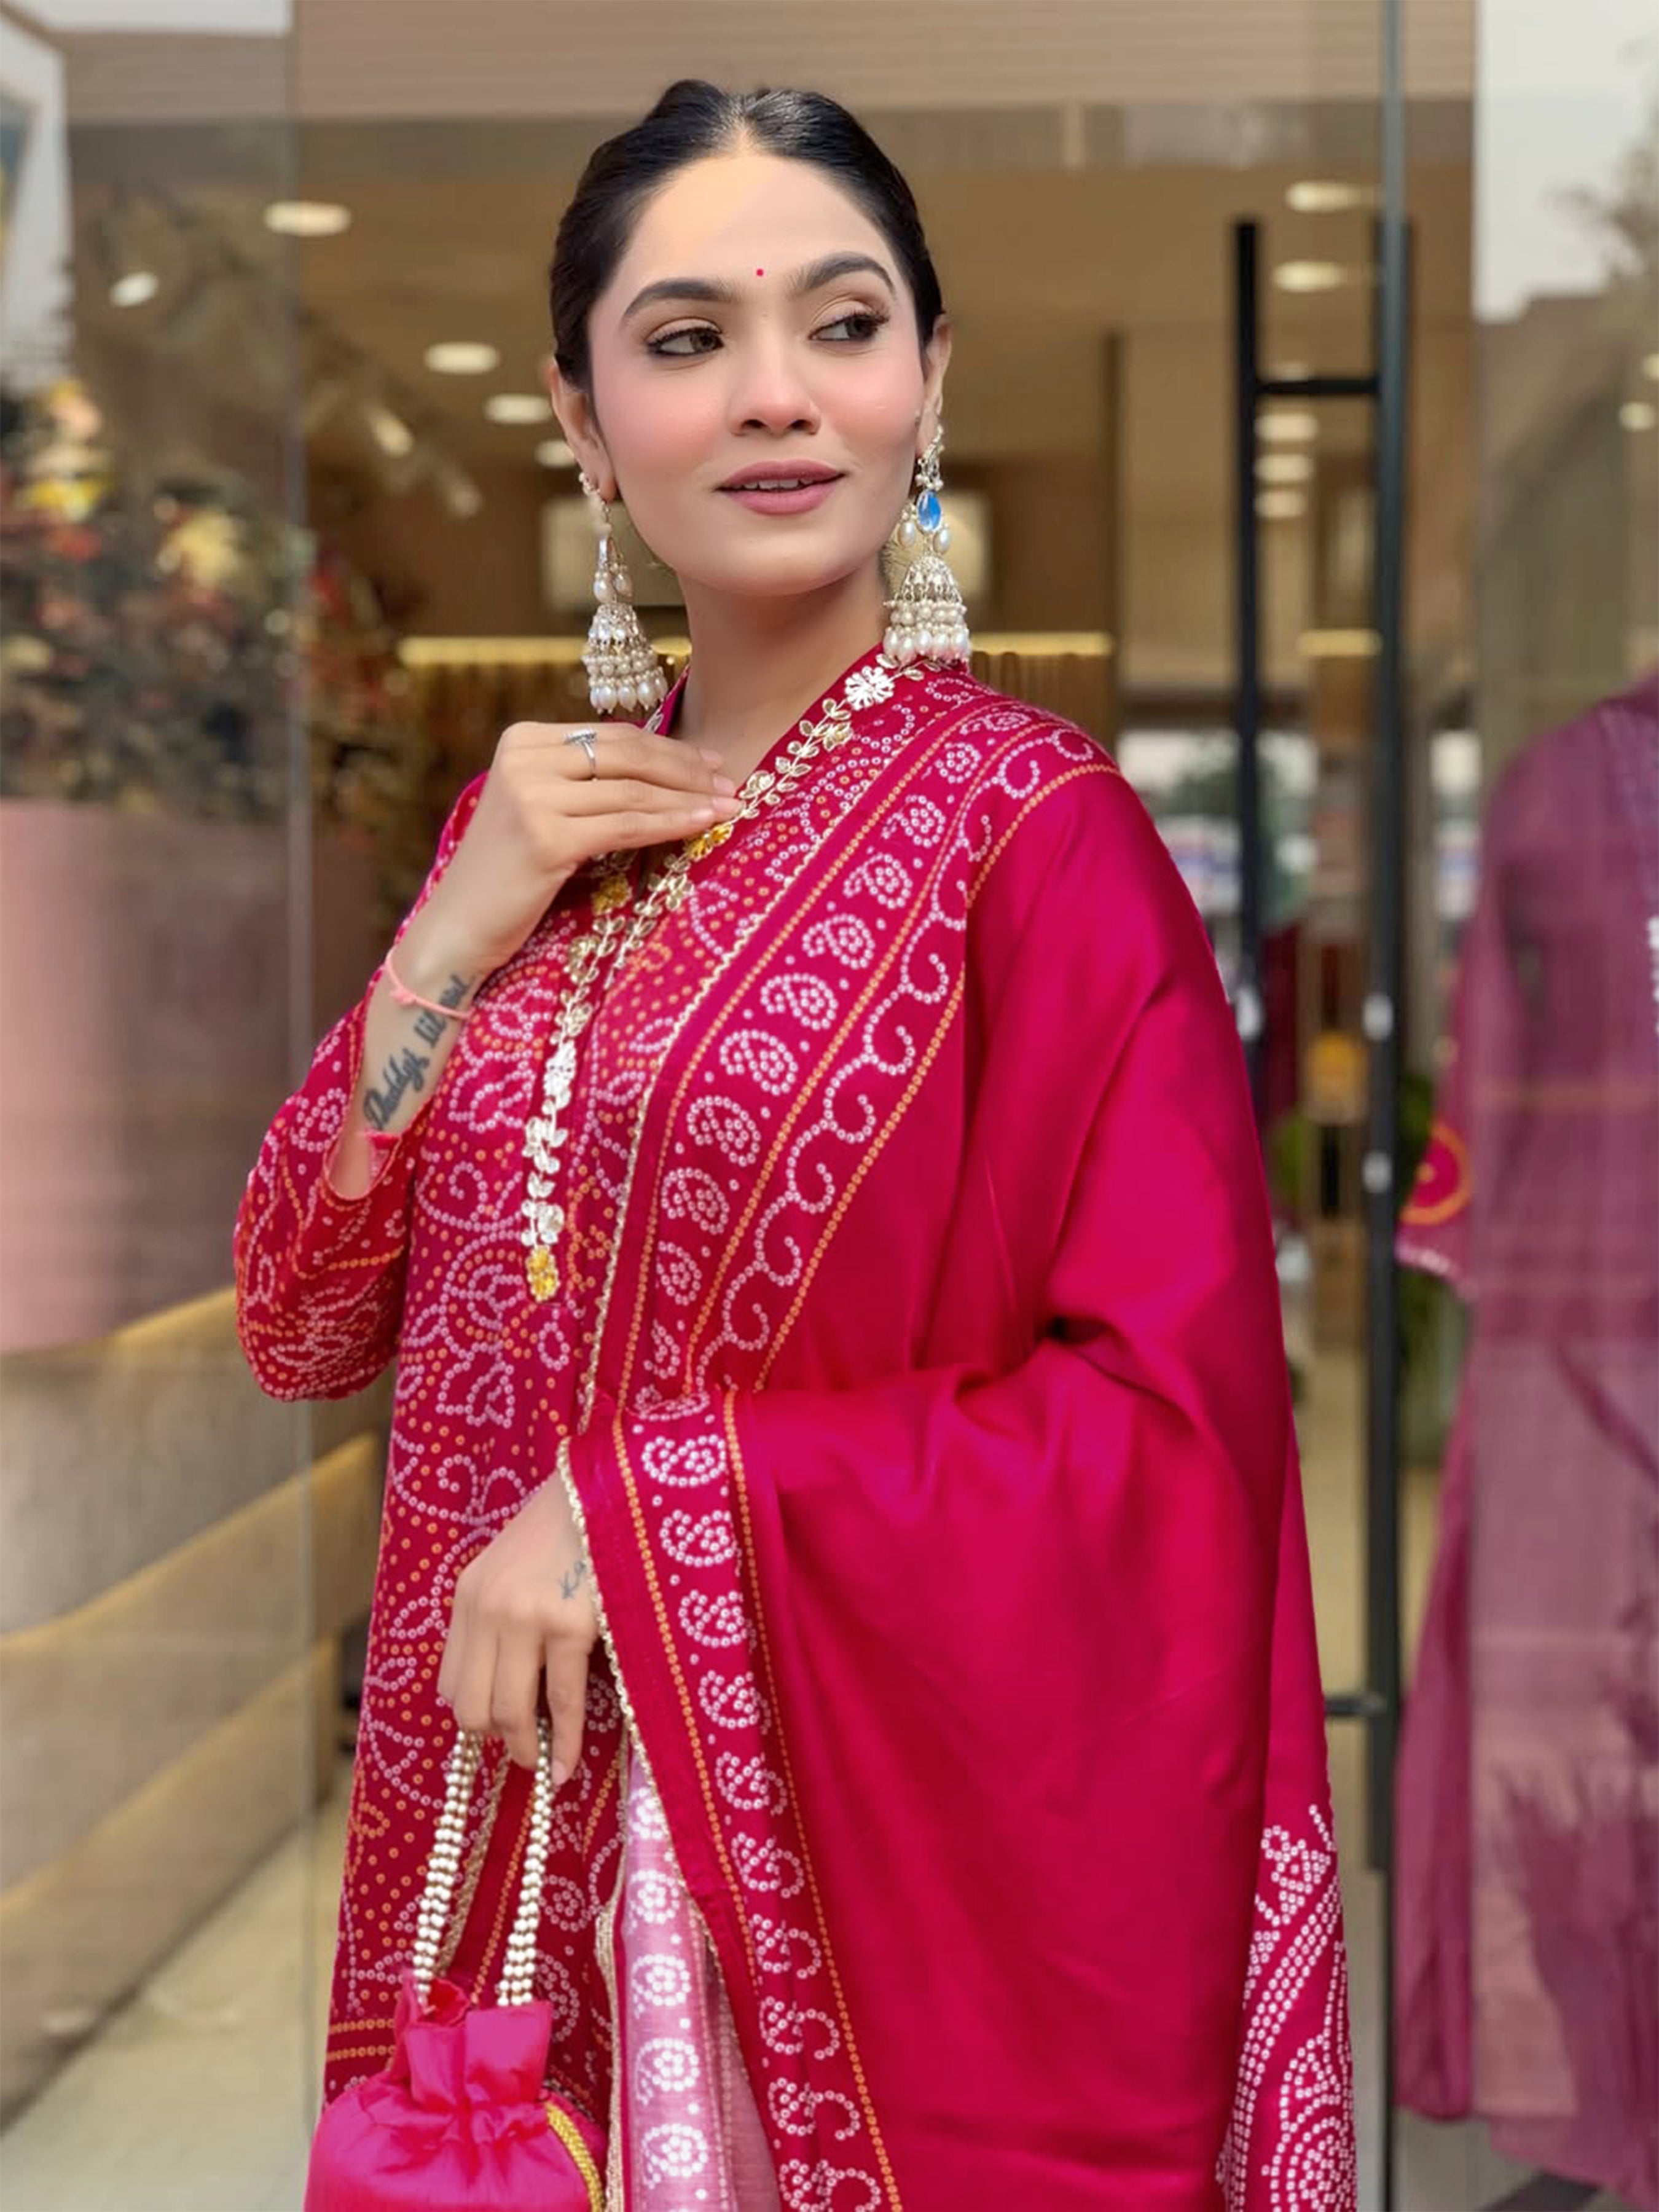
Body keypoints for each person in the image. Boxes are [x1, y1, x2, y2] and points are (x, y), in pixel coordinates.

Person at [235, 79, 1354, 2210]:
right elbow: (299, 1319)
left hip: (801, 1923)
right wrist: (443, 953)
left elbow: (1164, 1436)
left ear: (930, 378)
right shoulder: (528, 833)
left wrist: (641, 1508)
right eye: (684, 341)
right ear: (580, 422)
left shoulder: (1038, 842)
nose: (775, 398)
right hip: (481, 1874)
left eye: (840, 326)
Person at [1395, 673, 1659, 2212]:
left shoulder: (1565, 783)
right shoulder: (1564, 786)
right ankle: (1603, 2096)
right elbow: (1496, 1030)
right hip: (1587, 1314)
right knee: (1578, 1724)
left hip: (1575, 1292)